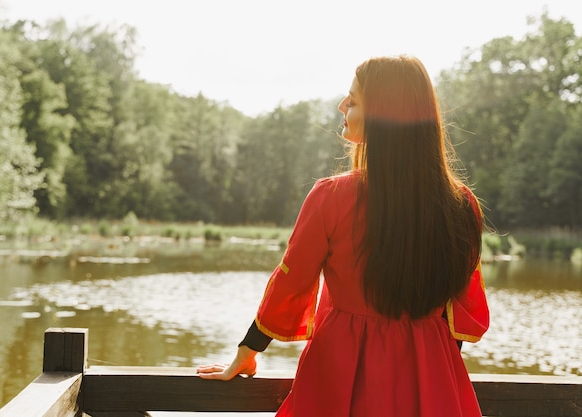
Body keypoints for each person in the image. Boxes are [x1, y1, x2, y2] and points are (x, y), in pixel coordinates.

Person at [196, 55, 490, 417]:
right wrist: (429, 366)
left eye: (353, 100)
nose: (341, 105)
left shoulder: (331, 198)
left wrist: (248, 351)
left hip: (343, 367)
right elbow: (460, 311)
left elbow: (291, 281)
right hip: (432, 373)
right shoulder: (462, 205)